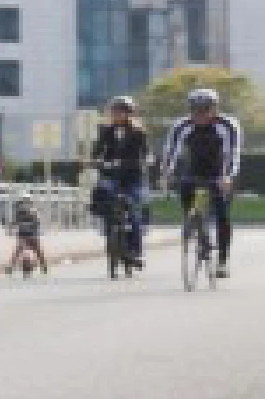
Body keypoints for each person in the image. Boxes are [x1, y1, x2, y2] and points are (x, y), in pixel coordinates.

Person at [160, 87, 242, 279]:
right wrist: (166, 173)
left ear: (215, 109)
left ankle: (222, 260)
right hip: (195, 171)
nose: (200, 115)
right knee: (186, 190)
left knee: (222, 214)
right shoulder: (182, 125)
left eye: (206, 109)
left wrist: (228, 176)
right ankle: (195, 225)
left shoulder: (228, 125)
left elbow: (233, 152)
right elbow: (172, 150)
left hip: (221, 173)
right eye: (196, 110)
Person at [91, 95, 150, 265]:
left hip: (133, 176)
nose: (117, 115)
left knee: (134, 212)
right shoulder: (105, 130)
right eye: (115, 111)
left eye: (122, 112)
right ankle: (108, 231)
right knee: (103, 199)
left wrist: (146, 161)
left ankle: (136, 251)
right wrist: (95, 161)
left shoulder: (139, 132)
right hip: (111, 174)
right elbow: (97, 151)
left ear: (130, 113)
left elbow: (146, 153)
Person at [5, 194, 48, 274]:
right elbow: (14, 223)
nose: (25, 205)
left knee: (38, 250)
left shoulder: (34, 212)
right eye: (24, 202)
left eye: (27, 202)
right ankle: (10, 266)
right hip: (22, 235)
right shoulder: (19, 213)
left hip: (32, 235)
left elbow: (37, 224)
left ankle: (44, 266)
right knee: (18, 249)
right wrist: (10, 228)